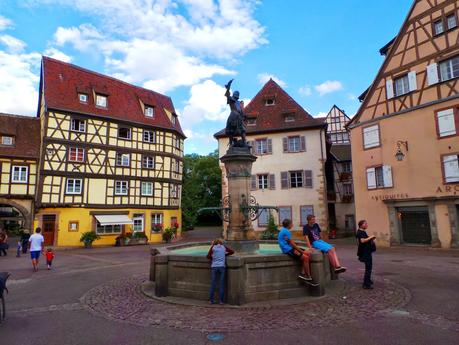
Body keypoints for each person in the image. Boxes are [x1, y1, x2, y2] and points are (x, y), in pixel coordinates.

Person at [278, 218, 316, 284]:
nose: (292, 225)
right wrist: (302, 251)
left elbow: (291, 243)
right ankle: (308, 276)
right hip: (288, 250)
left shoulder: (283, 230)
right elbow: (292, 244)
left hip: (288, 248)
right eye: (291, 223)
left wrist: (303, 250)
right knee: (306, 257)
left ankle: (303, 273)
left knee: (308, 252)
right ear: (289, 225)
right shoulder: (286, 231)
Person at [206, 238, 234, 304]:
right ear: (221, 242)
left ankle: (211, 300)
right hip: (222, 267)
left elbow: (208, 256)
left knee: (213, 283)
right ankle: (221, 301)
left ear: (214, 242)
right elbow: (232, 251)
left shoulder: (213, 247)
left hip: (214, 266)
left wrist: (213, 257)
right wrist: (224, 255)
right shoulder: (224, 247)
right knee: (222, 284)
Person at [356, 220, 376, 289]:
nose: (367, 225)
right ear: (361, 225)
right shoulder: (360, 232)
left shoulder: (362, 231)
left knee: (369, 267)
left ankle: (368, 280)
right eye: (365, 224)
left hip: (367, 251)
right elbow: (362, 241)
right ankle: (366, 284)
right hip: (365, 252)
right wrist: (371, 237)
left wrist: (371, 239)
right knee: (368, 268)